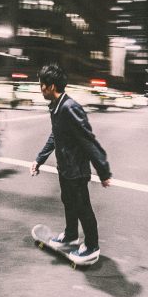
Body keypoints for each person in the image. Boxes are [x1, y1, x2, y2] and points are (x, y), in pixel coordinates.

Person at [30, 63, 112, 265]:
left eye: (41, 85)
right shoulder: (57, 107)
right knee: (68, 202)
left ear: (50, 86)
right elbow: (55, 135)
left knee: (82, 207)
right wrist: (40, 159)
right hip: (65, 168)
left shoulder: (69, 107)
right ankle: (71, 234)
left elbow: (88, 139)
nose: (40, 89)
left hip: (76, 170)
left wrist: (103, 171)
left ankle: (92, 247)